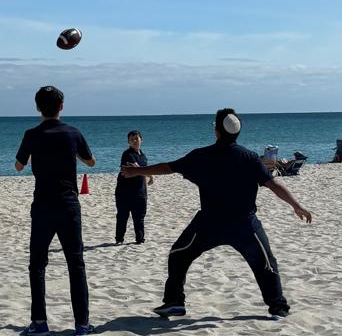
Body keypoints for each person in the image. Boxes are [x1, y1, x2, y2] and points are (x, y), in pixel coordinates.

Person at [121, 107, 312, 319]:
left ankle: (174, 301)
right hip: (245, 224)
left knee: (178, 255)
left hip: (210, 223)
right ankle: (278, 306)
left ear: (217, 131)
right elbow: (274, 183)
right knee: (266, 262)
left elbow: (168, 167)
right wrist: (296, 205)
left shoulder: (202, 156)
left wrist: (137, 171)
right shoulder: (249, 157)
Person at [14, 86, 96, 334]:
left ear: (38, 107)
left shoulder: (31, 134)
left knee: (37, 265)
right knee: (76, 264)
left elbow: (18, 166)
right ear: (61, 106)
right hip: (68, 204)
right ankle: (81, 324)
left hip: (42, 206)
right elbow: (90, 162)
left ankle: (40, 322)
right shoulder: (73, 133)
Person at [115, 129, 150, 245]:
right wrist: (151, 176)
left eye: (136, 138)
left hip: (139, 192)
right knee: (122, 216)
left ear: (141, 140)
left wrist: (145, 191)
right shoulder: (127, 154)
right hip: (124, 192)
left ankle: (140, 239)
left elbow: (142, 173)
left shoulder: (143, 156)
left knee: (139, 217)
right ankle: (119, 239)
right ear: (128, 142)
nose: (135, 141)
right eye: (132, 139)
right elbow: (137, 168)